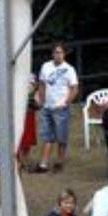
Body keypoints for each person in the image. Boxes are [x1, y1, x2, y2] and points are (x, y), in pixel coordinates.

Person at [34, 43, 79, 173]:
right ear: (52, 54)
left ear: (64, 54)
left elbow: (74, 88)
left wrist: (66, 102)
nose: (58, 55)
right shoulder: (46, 66)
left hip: (61, 107)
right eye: (56, 52)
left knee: (61, 136)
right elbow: (42, 84)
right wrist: (41, 100)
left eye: (60, 52)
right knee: (47, 136)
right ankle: (44, 163)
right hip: (47, 106)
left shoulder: (69, 69)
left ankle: (60, 161)